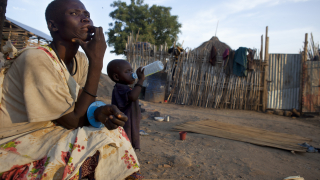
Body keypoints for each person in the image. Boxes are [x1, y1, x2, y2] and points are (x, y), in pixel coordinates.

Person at [0, 0, 142, 179]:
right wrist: (97, 62)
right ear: (53, 25)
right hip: (19, 140)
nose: (85, 19)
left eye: (87, 15)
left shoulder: (80, 60)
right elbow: (72, 121)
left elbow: (82, 106)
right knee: (103, 140)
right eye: (74, 14)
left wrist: (98, 112)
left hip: (52, 129)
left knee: (111, 132)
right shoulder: (35, 59)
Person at [107, 60, 145, 150]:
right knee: (125, 140)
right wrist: (141, 80)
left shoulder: (125, 87)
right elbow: (132, 97)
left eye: (131, 71)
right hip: (124, 121)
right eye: (127, 72)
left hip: (130, 120)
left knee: (129, 138)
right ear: (116, 77)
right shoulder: (120, 87)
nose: (131, 73)